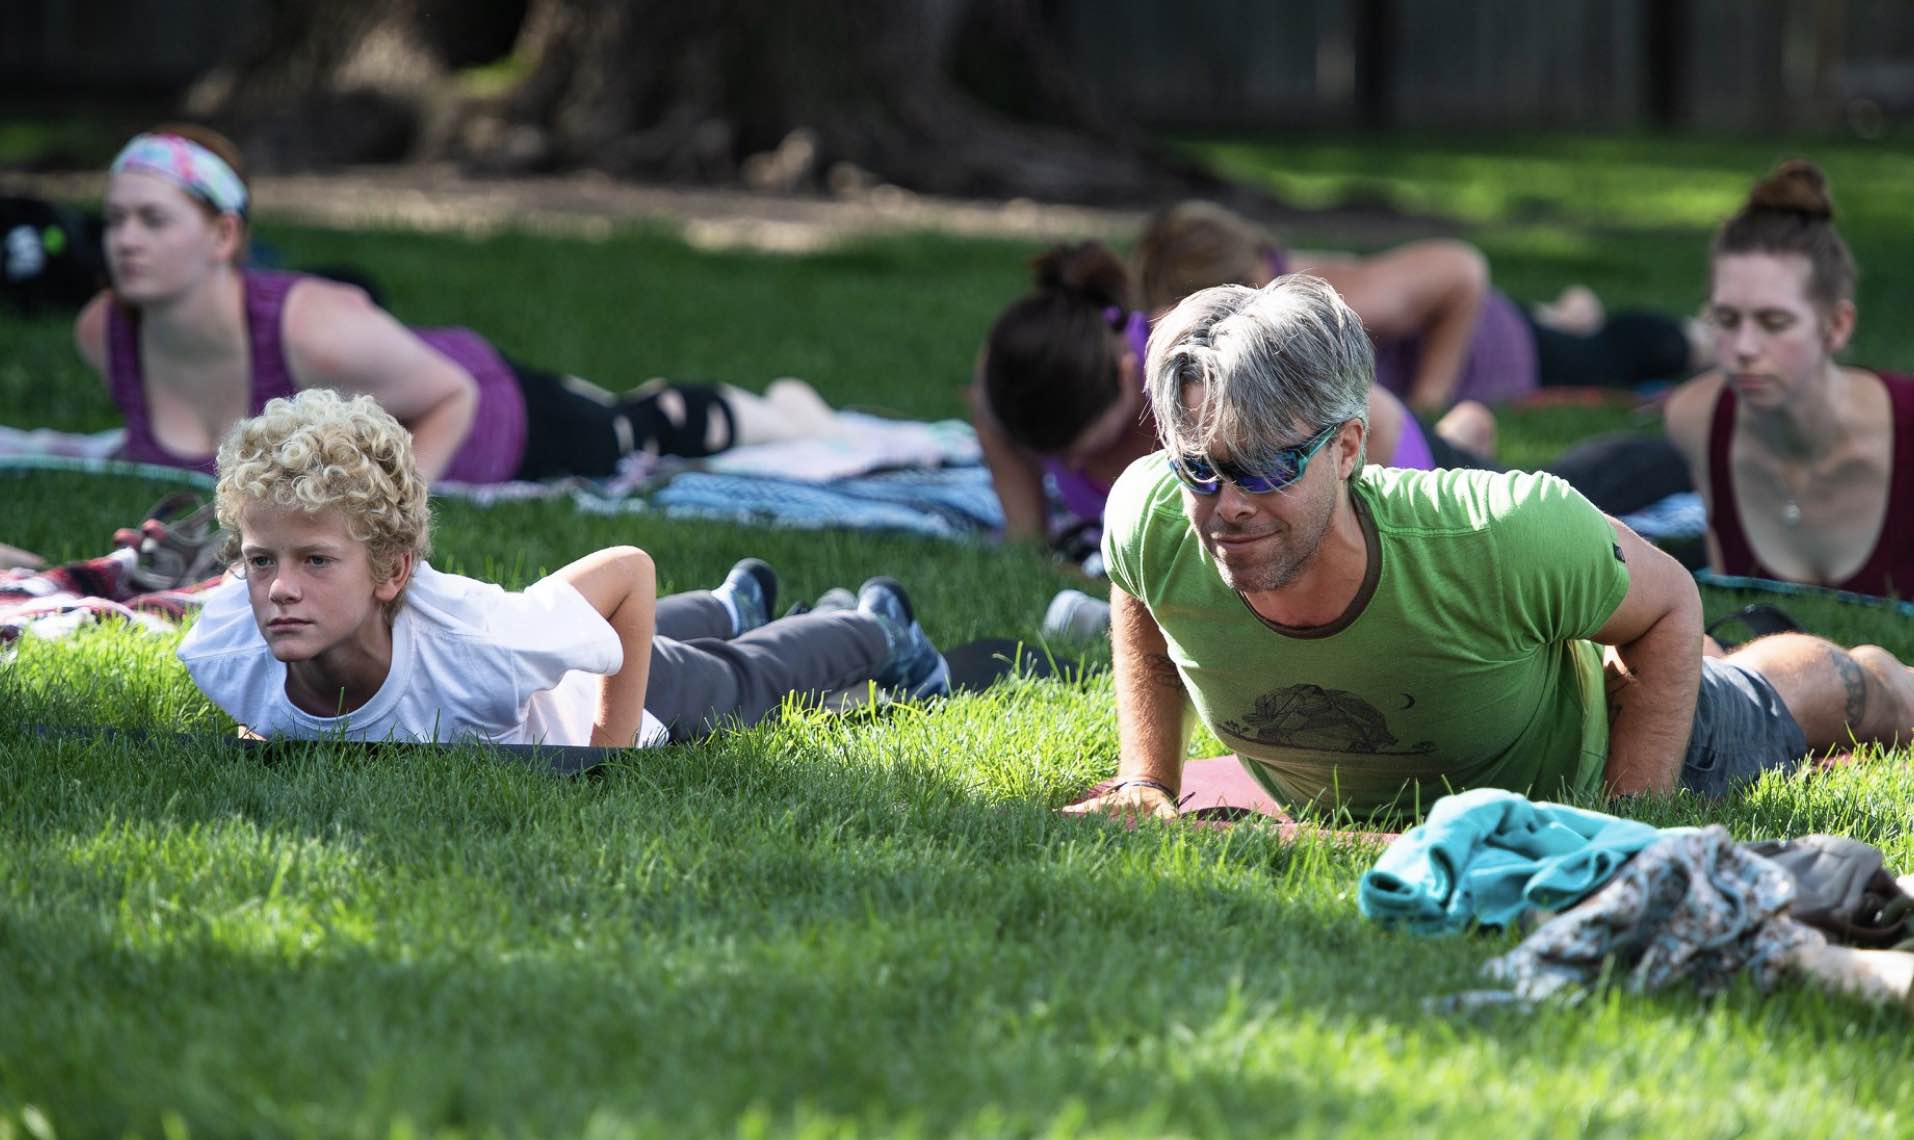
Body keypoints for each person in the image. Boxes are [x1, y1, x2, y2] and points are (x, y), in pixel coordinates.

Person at [1066, 275, 1914, 821]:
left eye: (1268, 466)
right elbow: (1142, 587)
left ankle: (1880, 675)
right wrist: (1147, 776)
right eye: (1201, 469)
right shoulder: (1152, 512)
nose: (1230, 506)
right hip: (1499, 684)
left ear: (1349, 448)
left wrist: (1620, 824)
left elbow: (1669, 599)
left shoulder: (1495, 530)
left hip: (1597, 746)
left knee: (1788, 696)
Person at [176, 389, 949, 747]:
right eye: (259, 560)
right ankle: (729, 601)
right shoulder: (226, 648)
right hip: (533, 644)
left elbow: (629, 571)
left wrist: (609, 750)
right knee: (573, 625)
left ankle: (880, 629)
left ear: (391, 571)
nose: (279, 588)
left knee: (735, 681)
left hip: (590, 694)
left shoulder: (480, 652)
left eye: (316, 560)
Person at [74, 126, 838, 484]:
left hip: (493, 417)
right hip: (431, 383)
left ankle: (785, 416)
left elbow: (453, 393)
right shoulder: (103, 332)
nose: (126, 242)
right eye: (114, 221)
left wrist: (403, 511)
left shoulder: (313, 328)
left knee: (638, 426)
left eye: (153, 220)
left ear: (223, 235)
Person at [973, 242, 1487, 549]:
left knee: (1484, 492)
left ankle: (1460, 436)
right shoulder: (1015, 389)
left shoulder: (1197, 371)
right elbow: (1028, 537)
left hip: (1389, 459)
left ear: (1129, 376)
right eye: (1052, 456)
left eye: (1081, 447)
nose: (1070, 463)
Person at [1133, 200, 1704, 418]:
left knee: (1615, 351)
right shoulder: (1272, 287)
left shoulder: (1326, 305)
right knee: (1565, 322)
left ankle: (1699, 335)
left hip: (1502, 348)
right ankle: (1571, 308)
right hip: (1490, 322)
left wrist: (1432, 398)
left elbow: (1462, 269)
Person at [1664, 159, 1913, 599]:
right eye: (1726, 319)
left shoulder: (1905, 427)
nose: (1742, 347)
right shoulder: (1695, 419)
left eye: (1773, 322)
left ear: (1836, 326)